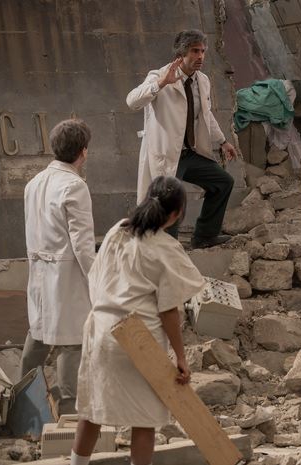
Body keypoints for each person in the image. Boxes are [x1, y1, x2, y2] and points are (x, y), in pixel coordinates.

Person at [72, 176, 205, 465]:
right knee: (144, 418)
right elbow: (169, 311)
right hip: (138, 339)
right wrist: (181, 357)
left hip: (101, 331)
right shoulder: (165, 248)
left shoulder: (117, 230)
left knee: (92, 411)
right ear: (176, 214)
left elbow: (96, 276)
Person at [126, 29, 238, 249]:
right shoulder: (159, 75)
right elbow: (132, 101)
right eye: (195, 51)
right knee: (170, 198)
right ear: (181, 53)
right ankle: (169, 248)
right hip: (168, 154)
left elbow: (205, 114)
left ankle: (205, 236)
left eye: (203, 51)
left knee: (223, 182)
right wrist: (161, 83)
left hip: (189, 153)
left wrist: (223, 141)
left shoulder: (202, 80)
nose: (200, 56)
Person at [20, 119, 95, 414]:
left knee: (38, 334)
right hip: (65, 275)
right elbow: (83, 245)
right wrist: (98, 279)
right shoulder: (75, 186)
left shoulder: (34, 183)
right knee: (71, 341)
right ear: (83, 151)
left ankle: (19, 401)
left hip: (39, 271)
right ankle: (68, 410)